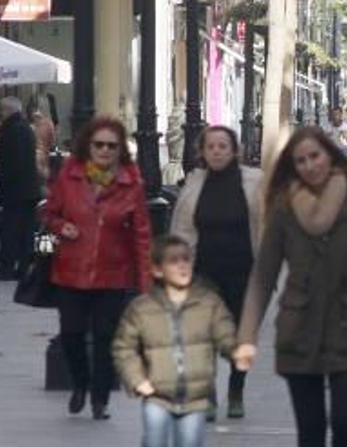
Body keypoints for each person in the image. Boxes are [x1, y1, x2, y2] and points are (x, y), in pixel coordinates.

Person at [233, 127, 347, 447]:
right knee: (310, 432)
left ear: (330, 154)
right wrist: (246, 336)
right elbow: (263, 275)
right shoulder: (285, 207)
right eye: (300, 161)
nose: (309, 165)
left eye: (315, 156)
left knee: (345, 424)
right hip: (299, 329)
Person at [42, 116, 152, 420]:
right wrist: (62, 226)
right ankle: (80, 383)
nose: (104, 150)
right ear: (88, 146)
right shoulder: (70, 176)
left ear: (120, 150)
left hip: (112, 274)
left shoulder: (131, 182)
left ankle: (100, 399)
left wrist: (145, 285)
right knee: (71, 335)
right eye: (99, 144)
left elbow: (142, 235)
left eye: (111, 146)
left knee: (106, 339)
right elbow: (50, 214)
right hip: (71, 271)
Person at [170, 126, 262, 419]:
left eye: (223, 146)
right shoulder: (194, 185)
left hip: (245, 271)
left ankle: (236, 389)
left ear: (235, 151)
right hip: (204, 271)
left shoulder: (254, 182)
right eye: (211, 147)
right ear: (203, 152)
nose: (217, 151)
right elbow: (182, 229)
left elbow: (269, 226)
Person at [113, 235, 237, 447]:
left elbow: (225, 334)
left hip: (195, 396)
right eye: (173, 261)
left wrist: (235, 351)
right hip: (156, 394)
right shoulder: (142, 308)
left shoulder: (208, 304)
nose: (182, 266)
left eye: (185, 259)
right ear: (158, 270)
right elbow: (124, 348)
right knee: (155, 441)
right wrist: (136, 380)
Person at [0, 96, 40, 281]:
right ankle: (23, 267)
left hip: (15, 191)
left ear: (8, 111)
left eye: (2, 110)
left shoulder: (11, 131)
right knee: (25, 231)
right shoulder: (25, 129)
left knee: (10, 229)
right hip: (28, 190)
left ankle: (7, 267)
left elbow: (11, 164)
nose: (0, 115)